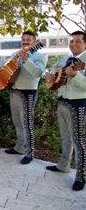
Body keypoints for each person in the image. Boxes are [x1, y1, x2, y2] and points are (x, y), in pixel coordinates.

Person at [45, 31, 86, 191]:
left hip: (78, 104)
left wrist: (76, 75)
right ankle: (63, 165)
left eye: (78, 41)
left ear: (85, 43)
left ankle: (81, 176)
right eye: (71, 41)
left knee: (79, 142)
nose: (73, 44)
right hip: (62, 101)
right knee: (65, 137)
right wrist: (51, 77)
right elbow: (56, 71)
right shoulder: (65, 58)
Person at [4, 31, 46, 164]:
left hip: (28, 93)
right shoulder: (14, 54)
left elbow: (38, 73)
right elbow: (7, 70)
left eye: (28, 39)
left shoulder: (40, 56)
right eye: (23, 39)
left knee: (27, 124)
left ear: (34, 41)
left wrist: (26, 60)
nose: (25, 42)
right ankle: (19, 147)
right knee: (17, 121)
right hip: (14, 91)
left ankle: (30, 153)